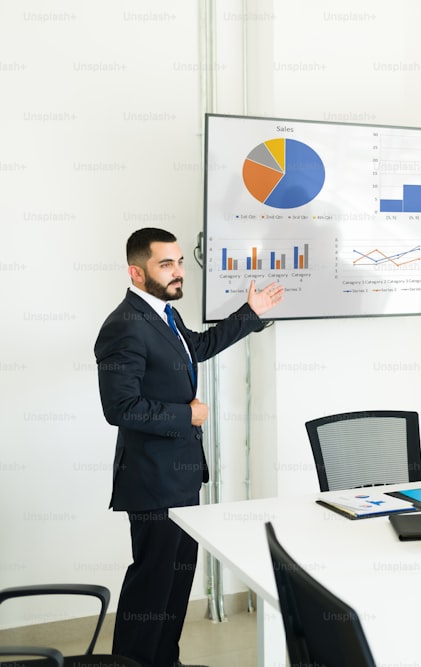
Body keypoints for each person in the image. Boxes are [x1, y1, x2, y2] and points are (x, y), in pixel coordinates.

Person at [94, 228, 284, 667]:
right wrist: (188, 415)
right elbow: (120, 408)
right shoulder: (123, 326)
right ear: (136, 273)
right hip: (151, 480)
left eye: (179, 262)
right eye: (166, 264)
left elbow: (196, 347)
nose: (179, 272)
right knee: (151, 586)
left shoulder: (165, 314)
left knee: (176, 584)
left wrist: (249, 313)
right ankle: (133, 663)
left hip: (179, 476)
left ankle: (166, 661)